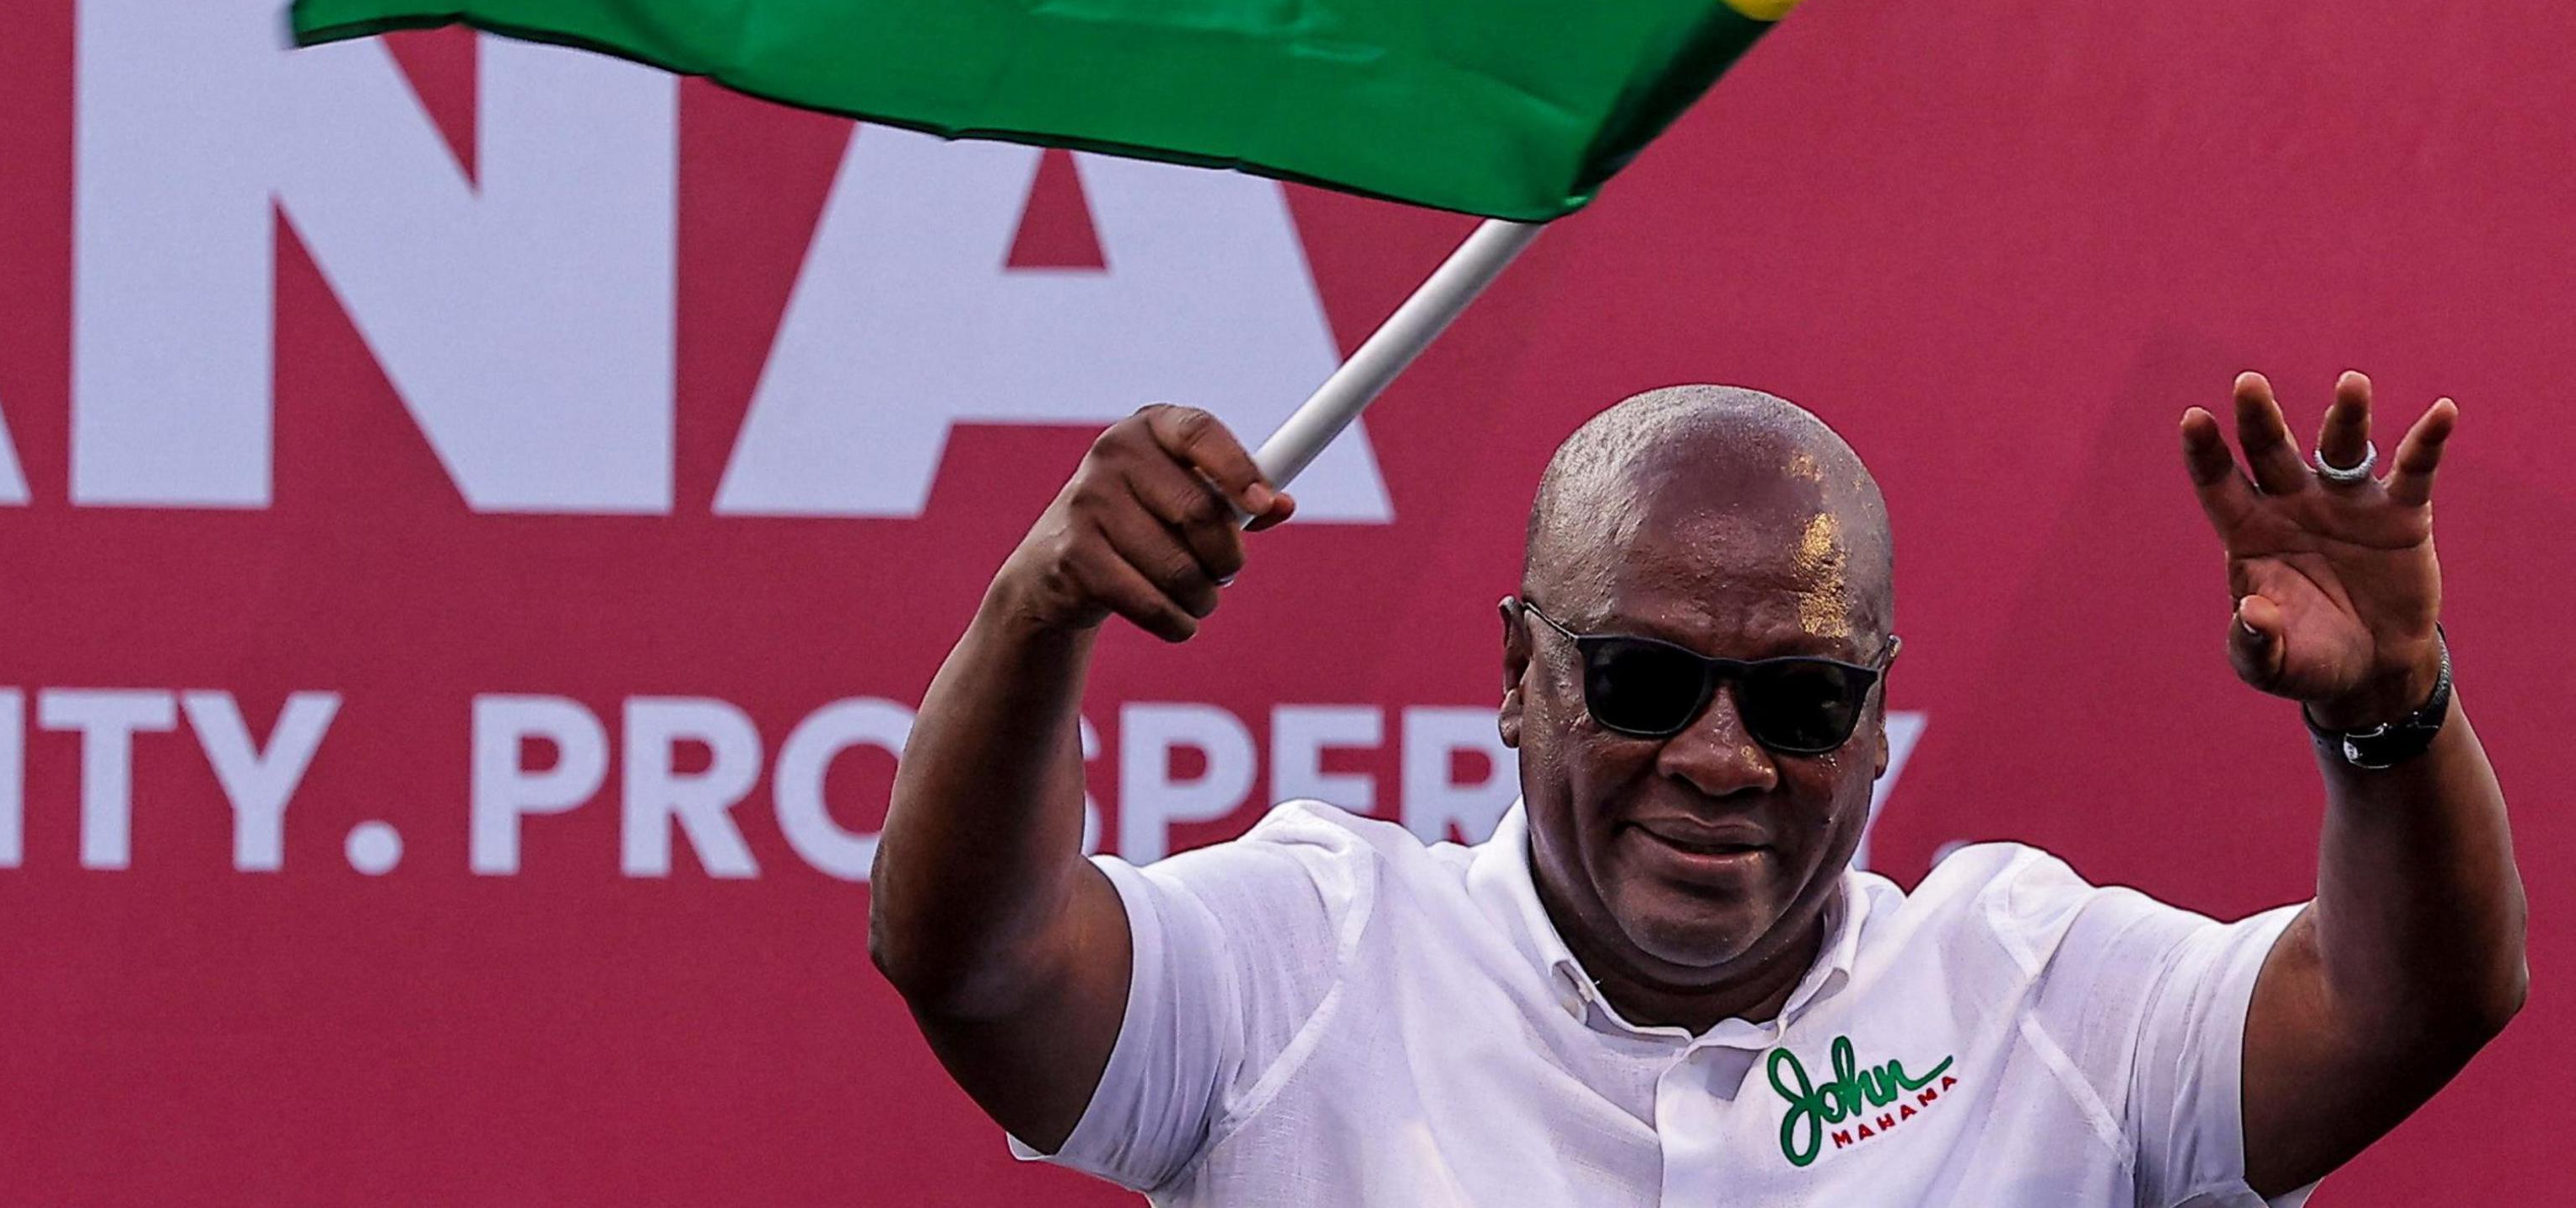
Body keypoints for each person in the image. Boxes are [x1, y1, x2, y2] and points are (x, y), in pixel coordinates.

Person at [870, 375, 2525, 1204]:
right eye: (1644, 682)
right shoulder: (1308, 958)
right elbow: (979, 957)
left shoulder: (2037, 994)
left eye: (1802, 700)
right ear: (1519, 674)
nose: (1722, 758)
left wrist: (2392, 716)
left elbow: (2407, 1006)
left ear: (1878, 721)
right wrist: (1038, 610)